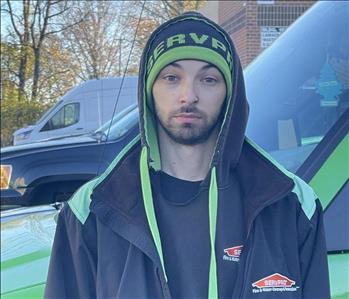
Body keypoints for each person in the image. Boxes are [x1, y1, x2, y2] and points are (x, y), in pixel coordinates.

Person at [45, 11, 330, 299]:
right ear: (149, 90)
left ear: (230, 94)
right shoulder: (91, 211)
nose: (188, 95)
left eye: (208, 79)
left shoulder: (291, 205)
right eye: (171, 77)